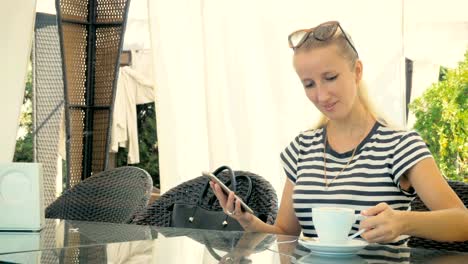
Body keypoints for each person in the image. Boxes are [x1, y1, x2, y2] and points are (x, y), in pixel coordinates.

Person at [210, 21, 468, 243]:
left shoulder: (400, 145)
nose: (321, 95)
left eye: (330, 77)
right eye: (309, 84)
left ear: (357, 71)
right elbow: (285, 234)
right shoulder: (302, 148)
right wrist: (248, 221)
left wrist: (404, 222)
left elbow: (462, 222)